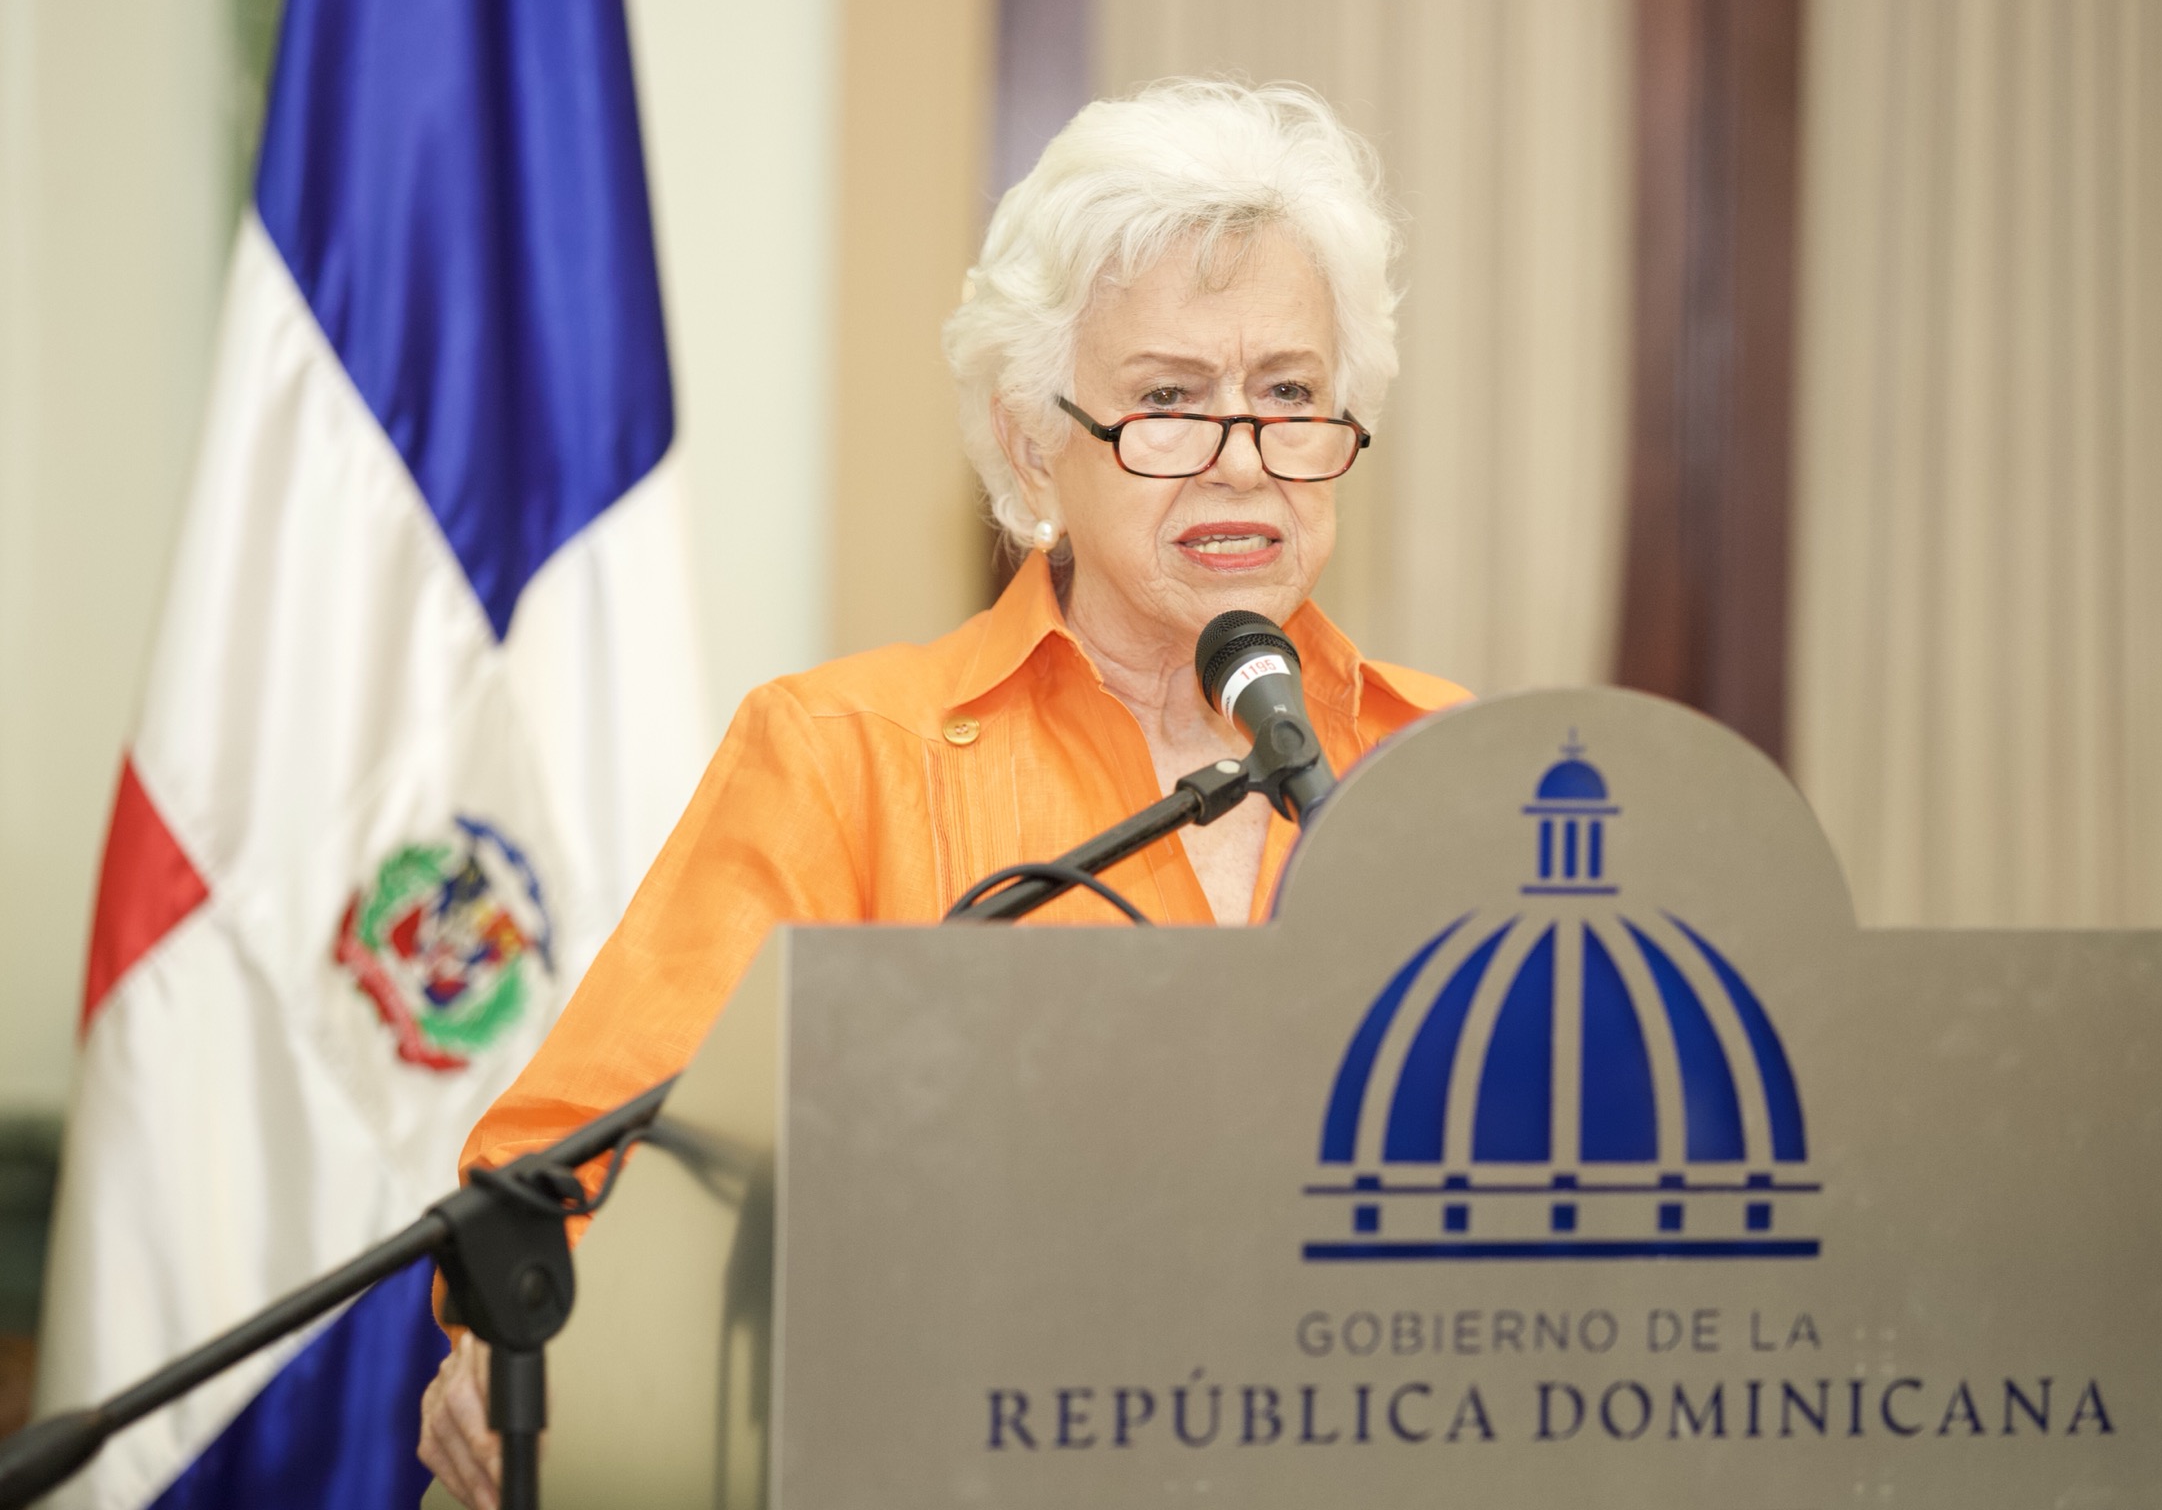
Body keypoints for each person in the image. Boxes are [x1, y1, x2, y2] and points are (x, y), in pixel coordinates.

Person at [417, 77, 1470, 1506]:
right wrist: (533, 1346)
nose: (1243, 462)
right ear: (1035, 445)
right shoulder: (846, 757)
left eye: (1289, 395)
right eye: (1168, 402)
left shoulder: (1452, 767)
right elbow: (568, 1182)